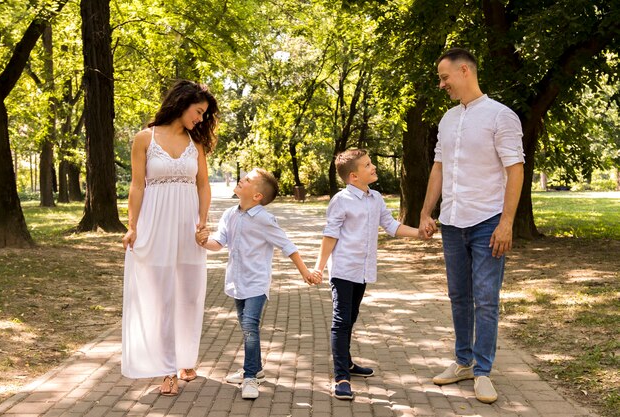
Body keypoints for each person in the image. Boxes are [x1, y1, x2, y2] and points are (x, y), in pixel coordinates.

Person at [418, 48, 525, 404]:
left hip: (487, 222)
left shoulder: (501, 116)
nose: (442, 84)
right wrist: (425, 212)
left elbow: (515, 170)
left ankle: (482, 370)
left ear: (464, 71)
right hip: (451, 221)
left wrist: (506, 222)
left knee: (485, 299)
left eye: (444, 77)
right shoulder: (447, 119)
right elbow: (438, 167)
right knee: (459, 296)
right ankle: (462, 361)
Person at [121, 80, 219, 396]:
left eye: (205, 114)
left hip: (188, 226)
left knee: (189, 294)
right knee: (160, 297)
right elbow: (137, 186)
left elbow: (203, 185)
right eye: (199, 112)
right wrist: (132, 226)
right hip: (155, 223)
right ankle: (167, 369)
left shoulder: (196, 144)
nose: (201, 119)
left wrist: (202, 222)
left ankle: (186, 358)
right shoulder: (144, 139)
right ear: (182, 103)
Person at [199, 168, 322, 399]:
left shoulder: (265, 219)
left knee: (249, 326)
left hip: (256, 283)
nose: (240, 180)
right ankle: (256, 369)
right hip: (236, 282)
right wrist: (204, 242)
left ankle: (250, 377)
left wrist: (305, 272)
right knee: (246, 328)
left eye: (246, 180)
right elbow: (219, 243)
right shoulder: (229, 214)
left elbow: (288, 246)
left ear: (257, 196)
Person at [313, 149, 421, 400]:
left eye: (371, 163)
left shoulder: (376, 198)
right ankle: (341, 376)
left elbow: (392, 226)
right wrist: (319, 267)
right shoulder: (341, 200)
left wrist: (420, 234)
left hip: (363, 270)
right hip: (343, 269)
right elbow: (330, 235)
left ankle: (348, 362)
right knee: (341, 321)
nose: (373, 167)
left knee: (351, 317)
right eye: (367, 165)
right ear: (353, 176)